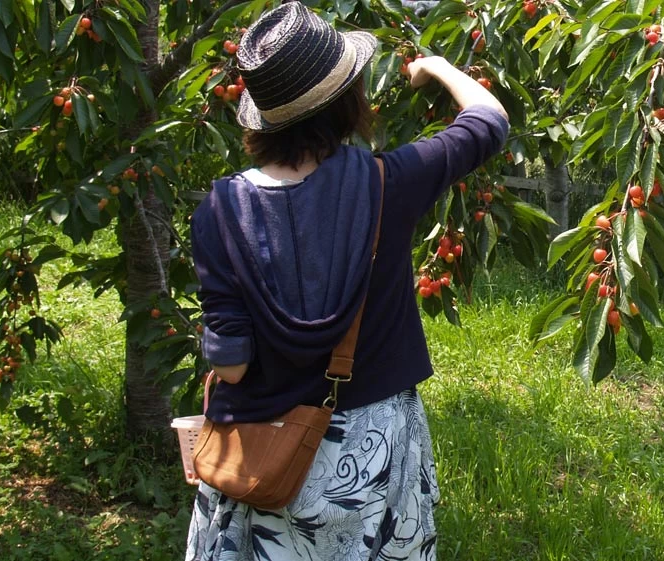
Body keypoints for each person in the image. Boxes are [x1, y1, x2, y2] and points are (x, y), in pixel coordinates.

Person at [185, 3, 508, 559]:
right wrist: (435, 67)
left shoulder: (219, 209)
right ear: (346, 102)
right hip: (373, 454)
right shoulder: (388, 183)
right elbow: (488, 120)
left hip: (260, 458)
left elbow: (231, 365)